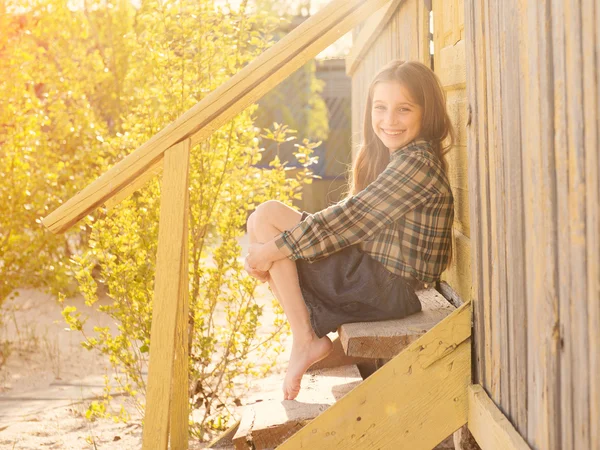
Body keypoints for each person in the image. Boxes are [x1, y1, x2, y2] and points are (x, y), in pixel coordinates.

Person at [244, 60, 455, 401]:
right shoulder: (403, 157)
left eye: (403, 109)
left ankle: (305, 340)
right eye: (380, 108)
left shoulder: (417, 163)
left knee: (268, 224)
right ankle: (305, 339)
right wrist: (273, 251)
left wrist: (271, 252)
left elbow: (350, 219)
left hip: (386, 288)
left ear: (426, 112)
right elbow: (350, 226)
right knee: (263, 220)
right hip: (375, 280)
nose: (389, 120)